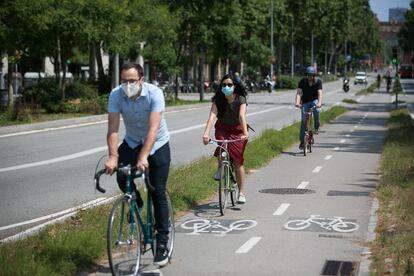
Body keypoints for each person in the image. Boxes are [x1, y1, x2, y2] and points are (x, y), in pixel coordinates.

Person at [104, 63, 171, 267]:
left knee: (157, 191)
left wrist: (144, 156)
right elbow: (113, 129)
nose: (127, 84)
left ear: (141, 79)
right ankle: (136, 201)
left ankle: (161, 243)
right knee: (122, 175)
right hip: (132, 141)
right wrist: (113, 156)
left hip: (157, 144)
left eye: (132, 81)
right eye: (124, 80)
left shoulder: (155, 93)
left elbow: (153, 128)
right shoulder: (116, 95)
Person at [202, 73, 249, 204]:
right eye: (224, 85)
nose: (227, 87)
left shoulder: (241, 99)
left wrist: (245, 133)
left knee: (238, 162)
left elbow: (241, 117)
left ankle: (241, 193)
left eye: (229, 85)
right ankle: (220, 167)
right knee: (222, 146)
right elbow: (212, 116)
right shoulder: (218, 99)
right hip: (222, 128)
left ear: (235, 86)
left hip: (238, 130)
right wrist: (206, 134)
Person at [294, 66, 323, 149]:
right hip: (305, 102)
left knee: (317, 111)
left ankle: (317, 126)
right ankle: (302, 142)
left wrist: (319, 103)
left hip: (314, 101)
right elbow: (299, 93)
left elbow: (320, 93)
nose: (310, 76)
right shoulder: (302, 82)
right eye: (308, 75)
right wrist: (297, 102)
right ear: (306, 75)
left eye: (311, 75)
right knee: (303, 121)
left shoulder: (318, 81)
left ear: (314, 75)